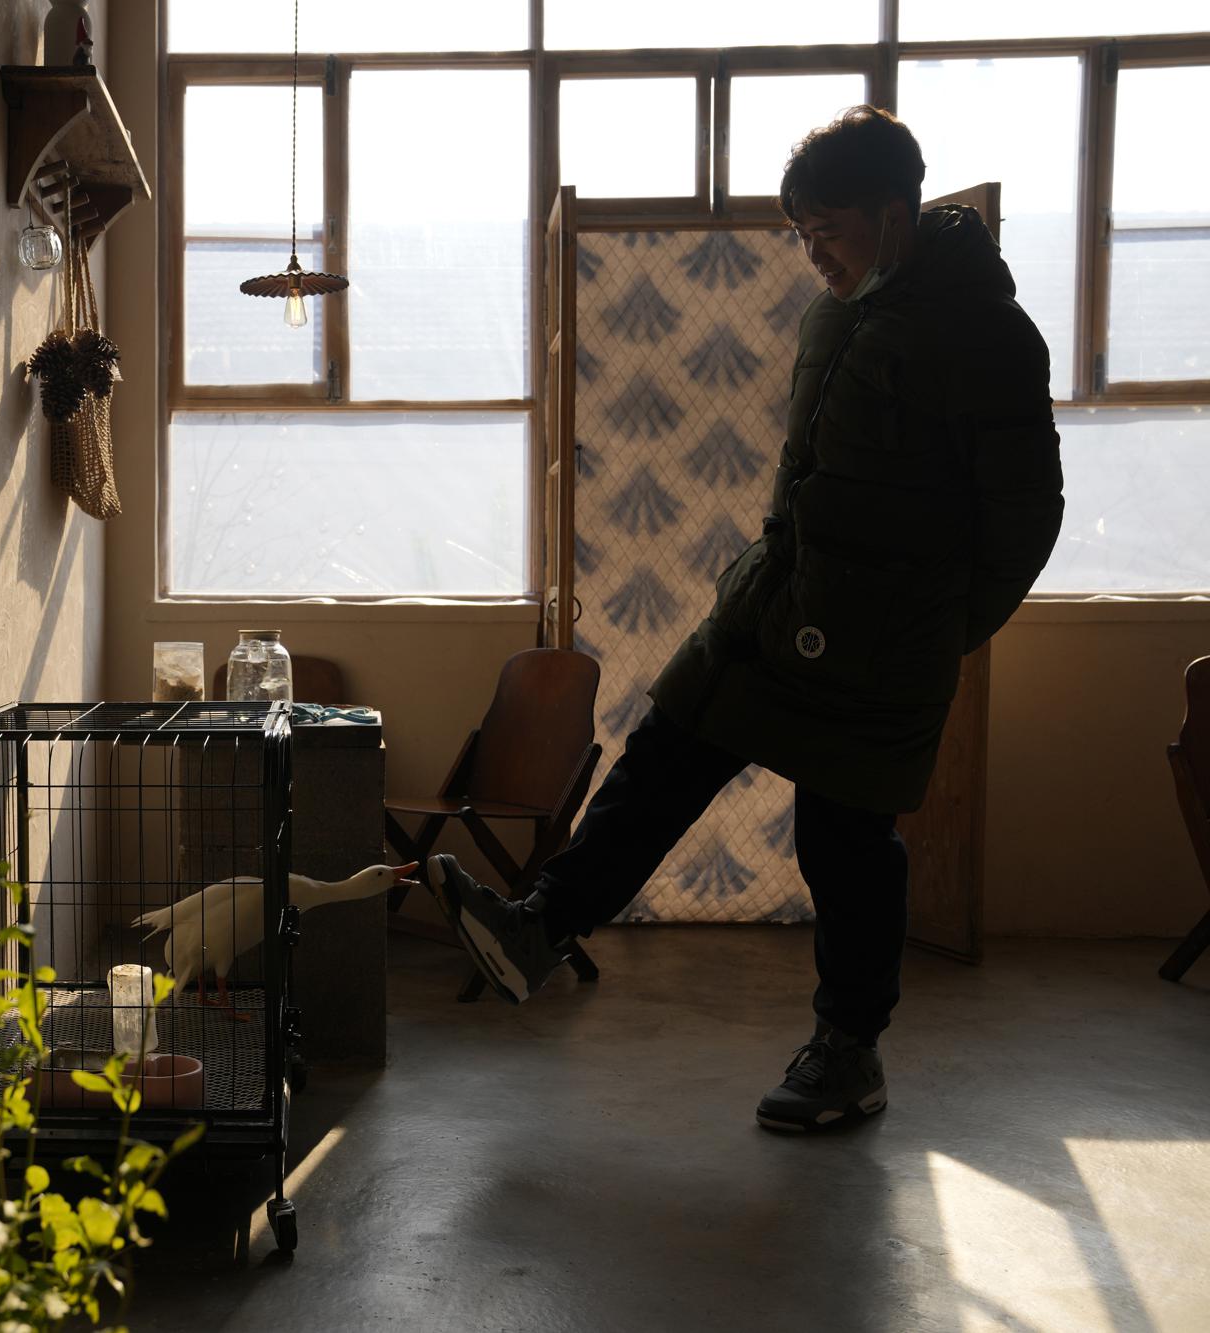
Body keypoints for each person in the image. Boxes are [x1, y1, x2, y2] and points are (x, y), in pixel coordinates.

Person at [429, 106, 1064, 1132]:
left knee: (843, 842)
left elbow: (1026, 514)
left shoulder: (986, 336)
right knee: (661, 753)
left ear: (894, 215)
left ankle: (846, 1053)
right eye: (802, 237)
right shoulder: (836, 315)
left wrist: (939, 627)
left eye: (831, 234)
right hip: (773, 604)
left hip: (887, 641)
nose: (813, 258)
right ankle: (536, 929)